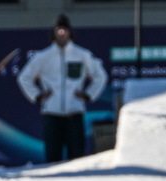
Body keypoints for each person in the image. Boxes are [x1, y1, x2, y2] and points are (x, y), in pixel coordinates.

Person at [17, 14, 107, 163]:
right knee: (53, 156)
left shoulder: (81, 55)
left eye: (64, 30)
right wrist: (37, 95)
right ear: (53, 32)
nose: (62, 34)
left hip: (74, 112)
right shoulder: (43, 56)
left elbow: (100, 76)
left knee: (77, 157)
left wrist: (89, 94)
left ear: (70, 32)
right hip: (51, 113)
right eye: (59, 30)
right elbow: (24, 77)